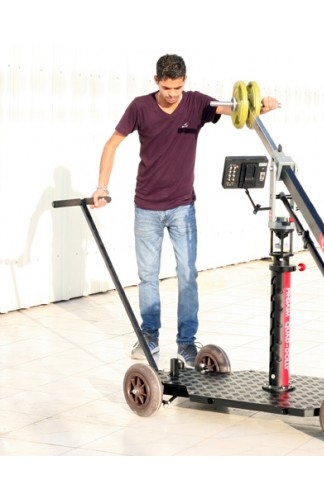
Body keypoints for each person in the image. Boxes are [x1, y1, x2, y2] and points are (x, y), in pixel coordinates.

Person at [92, 54, 279, 368]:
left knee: (188, 275)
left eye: (177, 87)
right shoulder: (140, 107)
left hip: (182, 207)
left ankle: (187, 342)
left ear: (185, 81)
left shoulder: (196, 103)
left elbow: (237, 109)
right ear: (156, 81)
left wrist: (263, 105)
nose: (172, 94)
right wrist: (102, 186)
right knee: (148, 277)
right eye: (166, 88)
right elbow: (112, 144)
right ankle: (149, 335)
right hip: (146, 207)